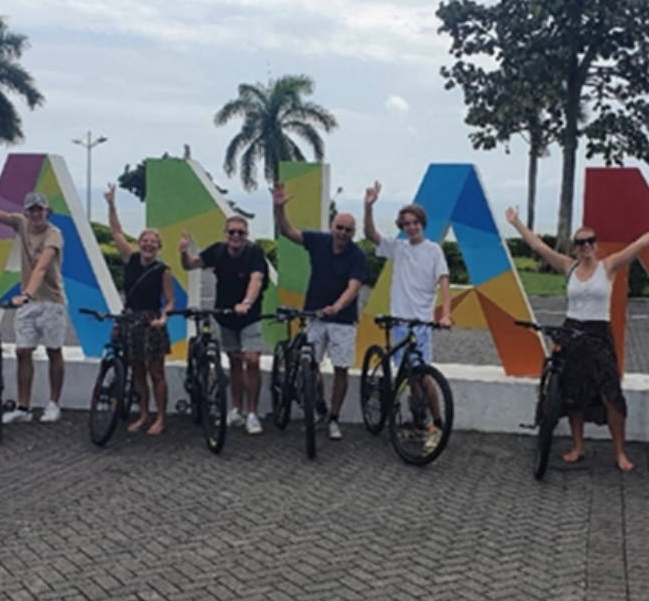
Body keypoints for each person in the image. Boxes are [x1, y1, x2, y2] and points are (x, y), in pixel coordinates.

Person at [509, 205, 649, 471]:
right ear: (575, 247)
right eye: (580, 242)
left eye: (590, 241)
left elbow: (640, 244)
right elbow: (538, 247)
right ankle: (578, 446)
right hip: (572, 333)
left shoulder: (608, 266)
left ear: (596, 244)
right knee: (573, 395)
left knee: (611, 395)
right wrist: (516, 223)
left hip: (598, 334)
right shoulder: (568, 267)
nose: (586, 246)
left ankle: (620, 451)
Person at [272, 181, 366, 441]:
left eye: (348, 230)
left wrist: (337, 306)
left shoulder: (357, 256)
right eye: (339, 228)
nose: (343, 233)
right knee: (310, 364)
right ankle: (319, 406)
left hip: (343, 321)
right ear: (331, 227)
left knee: (341, 369)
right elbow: (287, 231)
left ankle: (334, 418)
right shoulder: (317, 241)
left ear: (353, 233)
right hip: (314, 315)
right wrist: (279, 208)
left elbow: (354, 286)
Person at [364, 182, 452, 450]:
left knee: (425, 377)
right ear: (401, 227)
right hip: (399, 323)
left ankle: (437, 424)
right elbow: (370, 234)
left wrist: (446, 314)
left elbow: (444, 281)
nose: (411, 227)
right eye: (406, 224)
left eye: (415, 223)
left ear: (422, 224)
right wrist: (368, 206)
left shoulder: (433, 250)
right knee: (410, 378)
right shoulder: (398, 248)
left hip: (422, 324)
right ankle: (417, 423)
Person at [0, 164, 65, 424]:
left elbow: (42, 266)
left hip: (51, 302)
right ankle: (24, 407)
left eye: (41, 209)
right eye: (32, 209)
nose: (37, 213)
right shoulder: (21, 223)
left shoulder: (54, 234)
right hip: (28, 301)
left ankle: (53, 403)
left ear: (47, 212)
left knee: (53, 351)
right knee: (23, 351)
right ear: (26, 211)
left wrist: (25, 293)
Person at [179, 215, 267, 434]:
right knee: (235, 362)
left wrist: (246, 302)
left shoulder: (254, 253)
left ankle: (253, 413)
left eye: (240, 232)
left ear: (246, 235)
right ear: (225, 233)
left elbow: (256, 279)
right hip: (225, 315)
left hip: (250, 315)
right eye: (231, 232)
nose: (236, 236)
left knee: (252, 360)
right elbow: (190, 265)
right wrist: (183, 252)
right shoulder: (217, 251)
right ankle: (236, 409)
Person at [105, 185, 174, 435]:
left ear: (158, 247)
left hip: (151, 321)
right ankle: (143, 414)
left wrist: (164, 318)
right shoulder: (131, 258)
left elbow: (169, 300)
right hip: (130, 319)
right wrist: (112, 204)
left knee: (157, 372)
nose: (148, 245)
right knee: (137, 372)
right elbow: (116, 232)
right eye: (145, 241)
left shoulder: (163, 270)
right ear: (139, 243)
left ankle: (161, 417)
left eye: (153, 242)